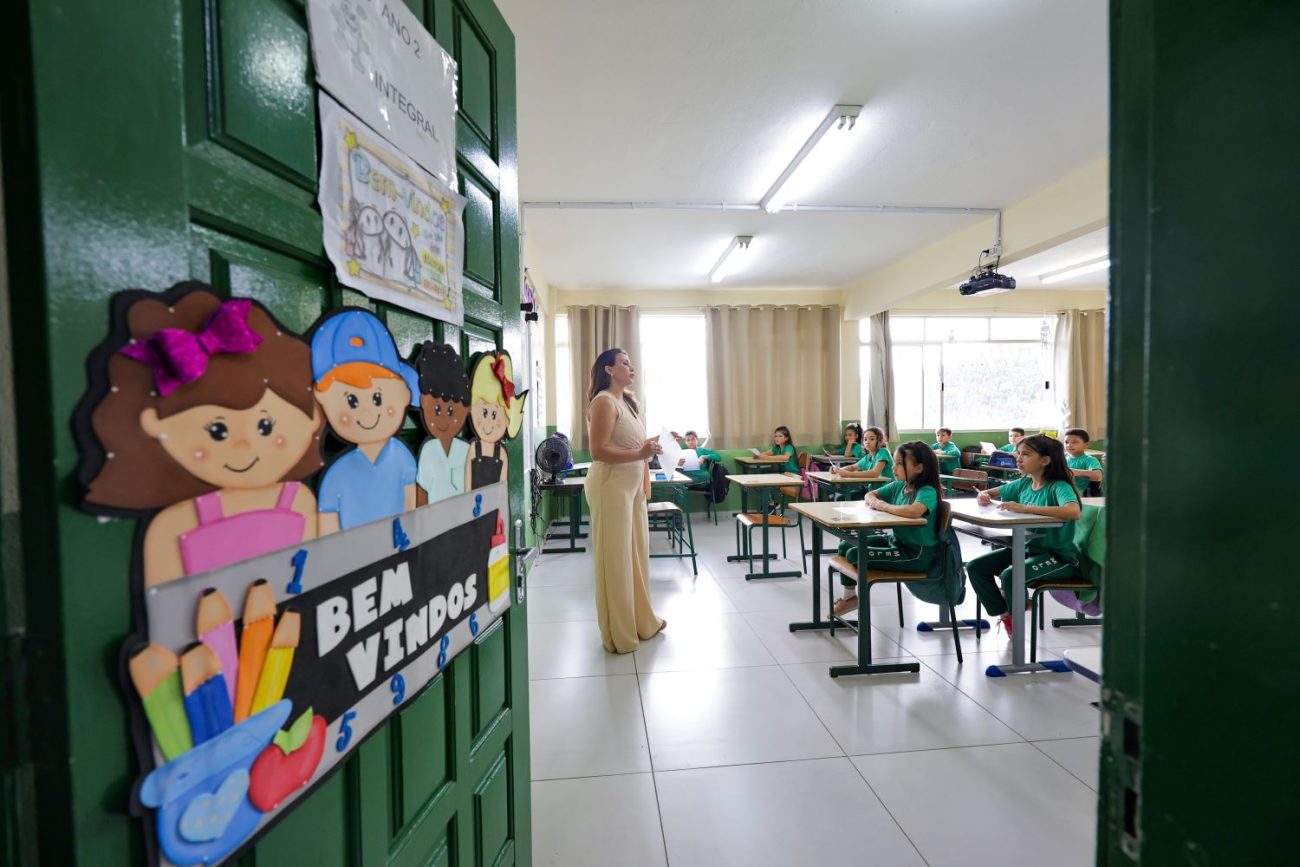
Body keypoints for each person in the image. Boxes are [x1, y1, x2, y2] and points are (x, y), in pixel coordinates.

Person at [80, 287, 324, 586]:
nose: (245, 445)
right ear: (153, 423)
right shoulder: (176, 521)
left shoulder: (298, 500)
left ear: (313, 418)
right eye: (217, 431)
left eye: (266, 427)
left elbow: (312, 580)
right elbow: (162, 610)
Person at [584, 347, 666, 654]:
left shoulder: (625, 403)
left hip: (630, 488)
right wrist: (640, 453)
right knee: (616, 561)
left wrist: (649, 447)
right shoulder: (604, 401)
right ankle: (619, 634)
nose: (631, 367)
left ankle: (641, 621)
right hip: (611, 488)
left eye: (631, 363)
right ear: (608, 369)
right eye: (624, 363)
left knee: (636, 556)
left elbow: (630, 445)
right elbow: (598, 451)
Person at [311, 309, 419, 533]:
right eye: (352, 400)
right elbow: (326, 533)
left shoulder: (402, 457)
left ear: (404, 395)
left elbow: (411, 511)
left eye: (377, 398)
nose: (368, 413)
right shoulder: (337, 473)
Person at [965, 434, 1082, 635]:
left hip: (1059, 557)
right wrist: (983, 495)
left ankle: (1017, 613)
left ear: (1045, 460)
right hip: (1027, 549)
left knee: (1011, 575)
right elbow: (991, 493)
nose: (1018, 458)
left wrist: (1025, 508)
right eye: (1018, 453)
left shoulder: (1058, 486)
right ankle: (1006, 614)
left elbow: (1073, 511)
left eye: (1025, 454)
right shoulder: (1024, 483)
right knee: (976, 567)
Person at [831, 442, 943, 616]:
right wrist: (875, 501)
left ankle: (852, 599)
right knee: (846, 544)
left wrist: (884, 506)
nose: (893, 467)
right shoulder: (900, 485)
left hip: (916, 554)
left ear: (919, 468)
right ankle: (850, 597)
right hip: (897, 542)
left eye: (899, 463)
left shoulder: (926, 490)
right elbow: (871, 494)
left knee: (855, 554)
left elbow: (915, 511)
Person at [413, 341, 472, 505]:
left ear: (467, 408)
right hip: (435, 525)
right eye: (437, 410)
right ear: (424, 402)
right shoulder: (429, 450)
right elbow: (422, 493)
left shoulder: (466, 450)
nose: (444, 419)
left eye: (451, 411)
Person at [464, 352, 529, 489]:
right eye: (484, 412)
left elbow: (502, 489)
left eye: (494, 414)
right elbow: (466, 488)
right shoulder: (473, 449)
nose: (489, 422)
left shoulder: (502, 454)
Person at [1063, 428, 1104, 496]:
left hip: (1083, 495)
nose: (1069, 445)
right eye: (1066, 442)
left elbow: (1098, 475)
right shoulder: (1064, 459)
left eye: (1074, 442)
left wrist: (1072, 471)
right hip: (1067, 493)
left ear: (1086, 444)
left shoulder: (1090, 460)